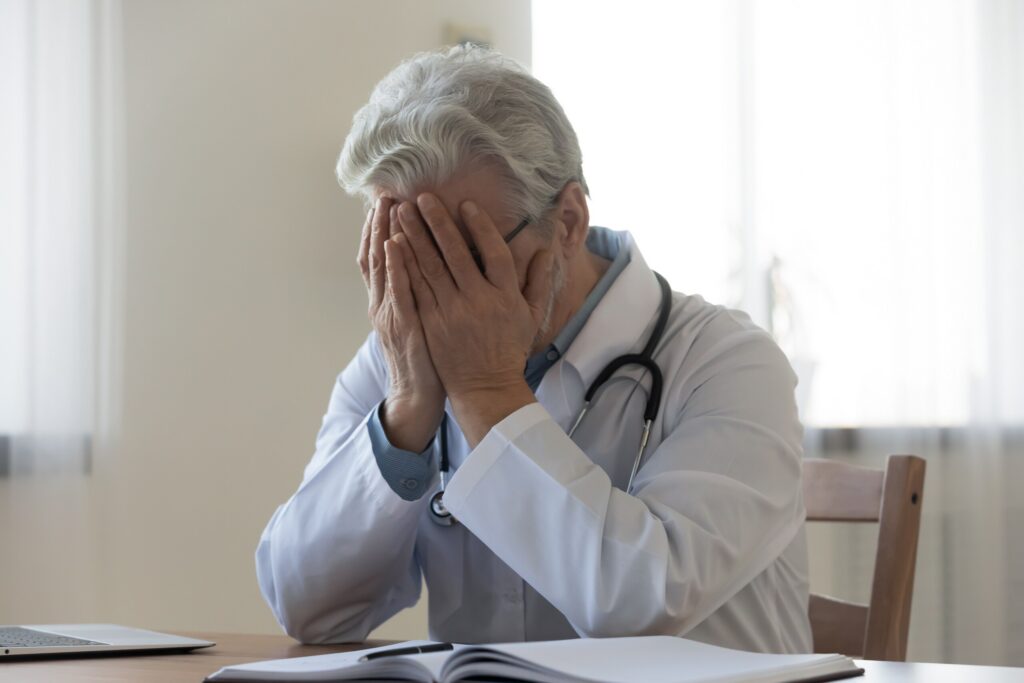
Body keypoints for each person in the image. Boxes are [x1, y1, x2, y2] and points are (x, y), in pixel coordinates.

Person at [255, 45, 813, 654]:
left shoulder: (730, 364)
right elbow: (304, 605)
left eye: (463, 252)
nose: (436, 290)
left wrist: (488, 394)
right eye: (407, 250)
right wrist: (408, 409)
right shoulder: (398, 361)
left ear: (567, 221)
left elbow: (641, 605)